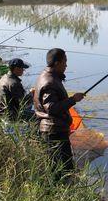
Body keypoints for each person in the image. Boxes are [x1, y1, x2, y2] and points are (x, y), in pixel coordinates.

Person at [34, 48, 85, 179]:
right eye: (65, 62)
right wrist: (73, 100)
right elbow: (51, 108)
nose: (66, 65)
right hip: (53, 131)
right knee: (62, 170)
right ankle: (62, 194)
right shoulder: (49, 81)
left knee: (59, 168)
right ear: (57, 63)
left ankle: (62, 193)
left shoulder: (48, 76)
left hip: (54, 129)